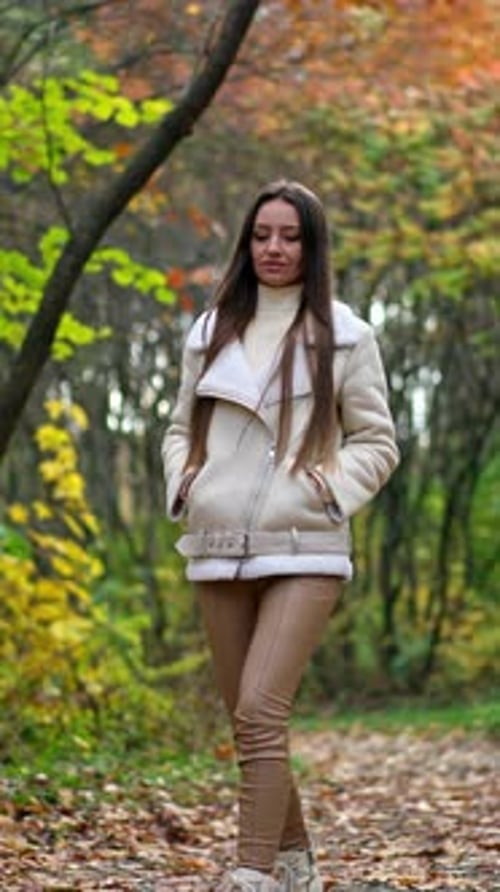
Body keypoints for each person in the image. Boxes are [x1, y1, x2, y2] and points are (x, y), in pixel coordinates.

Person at [161, 180, 399, 891]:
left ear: (312, 246)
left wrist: (324, 488)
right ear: (247, 241)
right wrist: (188, 485)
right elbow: (178, 429)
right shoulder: (208, 334)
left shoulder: (347, 336)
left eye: (290, 236)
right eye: (262, 234)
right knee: (247, 722)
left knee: (262, 708)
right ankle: (294, 863)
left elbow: (378, 442)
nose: (274, 248)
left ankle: (252, 873)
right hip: (218, 544)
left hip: (306, 545)